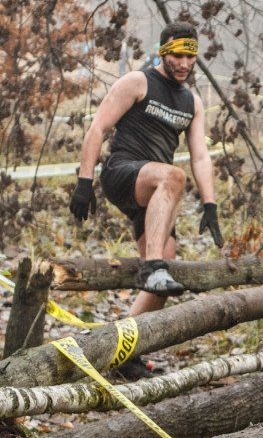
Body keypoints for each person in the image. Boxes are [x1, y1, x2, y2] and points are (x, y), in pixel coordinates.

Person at [69, 21, 223, 378]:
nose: (184, 64)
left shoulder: (192, 102)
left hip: (155, 193)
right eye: (178, 55)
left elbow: (200, 156)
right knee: (172, 175)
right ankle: (151, 266)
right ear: (164, 51)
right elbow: (97, 128)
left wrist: (211, 205)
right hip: (123, 173)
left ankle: (121, 350)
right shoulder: (138, 82)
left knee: (163, 281)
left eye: (191, 56)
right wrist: (84, 181)